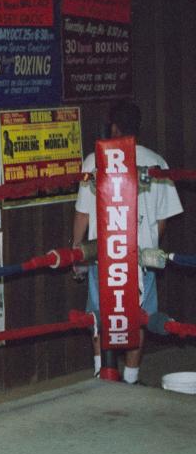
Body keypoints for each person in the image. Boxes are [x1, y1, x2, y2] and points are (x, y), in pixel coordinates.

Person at [71, 100, 183, 384]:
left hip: (104, 253)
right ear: (138, 126)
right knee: (139, 315)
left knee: (100, 314)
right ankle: (131, 378)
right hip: (141, 254)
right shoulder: (157, 161)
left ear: (114, 126)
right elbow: (163, 217)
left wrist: (77, 250)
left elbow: (83, 213)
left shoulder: (95, 160)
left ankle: (101, 374)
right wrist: (147, 245)